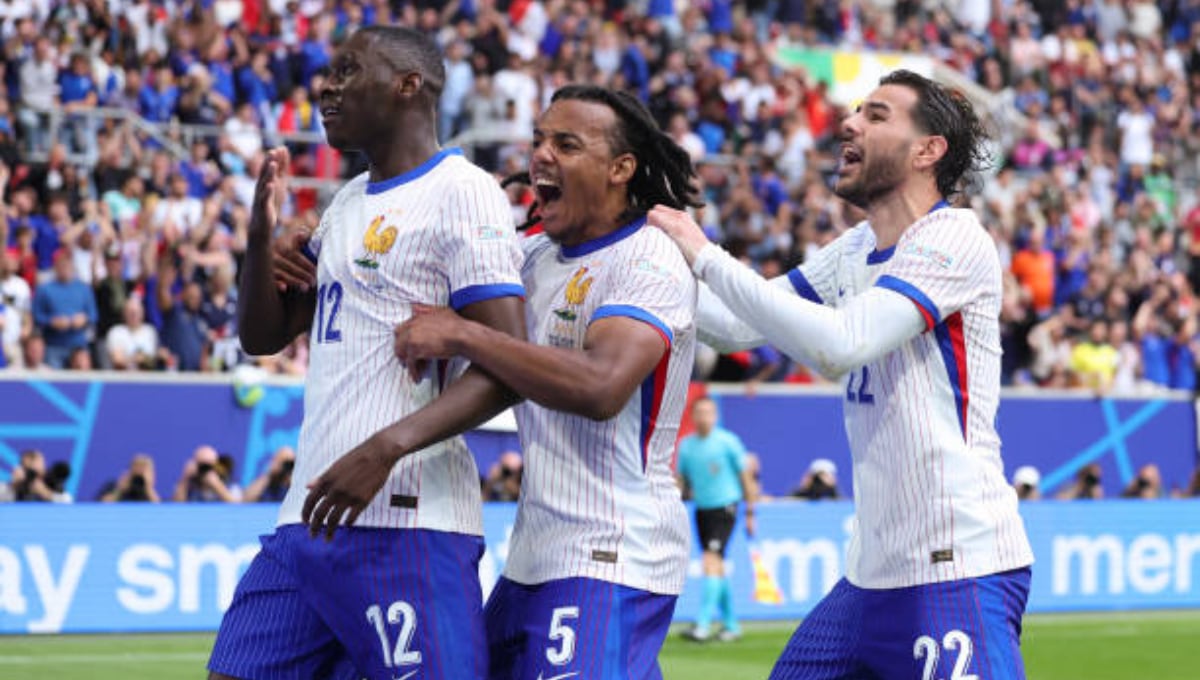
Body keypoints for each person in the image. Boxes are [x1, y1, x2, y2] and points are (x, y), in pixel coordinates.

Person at [302, 84, 703, 679]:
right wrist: (309, 248)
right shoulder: (531, 258)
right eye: (540, 139)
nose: (541, 154)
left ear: (622, 168)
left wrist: (466, 336)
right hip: (532, 560)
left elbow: (601, 387)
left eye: (566, 144)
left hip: (614, 554)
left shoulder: (649, 259)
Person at [648, 70, 1035, 679]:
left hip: (956, 563)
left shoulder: (955, 239)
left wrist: (703, 253)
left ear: (927, 150)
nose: (849, 123)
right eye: (856, 111)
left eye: (877, 115)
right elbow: (733, 325)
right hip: (870, 576)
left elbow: (840, 344)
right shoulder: (855, 249)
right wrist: (639, 246)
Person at [208, 26, 526, 680]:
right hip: (305, 521)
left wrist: (387, 447)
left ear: (409, 85)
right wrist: (259, 239)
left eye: (349, 71)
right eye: (331, 73)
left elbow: (510, 361)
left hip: (406, 526)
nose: (328, 86)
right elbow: (263, 337)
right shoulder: (347, 202)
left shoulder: (461, 192)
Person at [675, 395, 756, 642]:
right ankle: (731, 625)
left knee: (710, 561)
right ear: (692, 416)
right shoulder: (687, 446)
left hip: (725, 507)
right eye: (700, 412)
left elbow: (745, 477)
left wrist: (751, 511)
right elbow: (681, 481)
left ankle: (702, 624)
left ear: (716, 416)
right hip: (702, 509)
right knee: (716, 565)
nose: (704, 417)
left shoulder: (727, 442)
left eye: (709, 412)